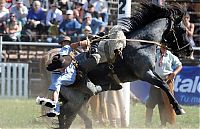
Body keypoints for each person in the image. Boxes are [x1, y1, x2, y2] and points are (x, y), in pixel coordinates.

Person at [36, 35, 102, 117]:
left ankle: (56, 107)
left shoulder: (64, 52)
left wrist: (81, 44)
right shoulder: (57, 74)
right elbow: (55, 90)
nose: (66, 43)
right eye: (65, 42)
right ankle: (56, 108)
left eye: (67, 42)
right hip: (71, 77)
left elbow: (72, 46)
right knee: (89, 89)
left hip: (71, 75)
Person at [145, 44, 183, 127]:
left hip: (166, 81)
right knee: (150, 103)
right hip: (155, 81)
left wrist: (174, 73)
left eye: (166, 46)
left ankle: (163, 124)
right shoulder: (154, 53)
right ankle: (147, 123)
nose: (164, 47)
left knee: (163, 103)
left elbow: (180, 65)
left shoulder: (170, 55)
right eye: (163, 45)